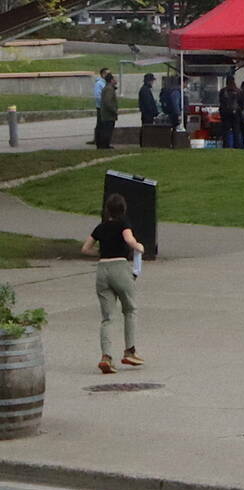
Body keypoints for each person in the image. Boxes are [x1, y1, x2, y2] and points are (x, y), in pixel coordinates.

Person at [82, 193, 145, 374]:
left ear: (107, 210)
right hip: (119, 267)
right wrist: (138, 246)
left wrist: (102, 253)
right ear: (123, 209)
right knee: (130, 309)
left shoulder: (100, 227)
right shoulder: (124, 223)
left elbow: (85, 248)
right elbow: (128, 239)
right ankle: (130, 351)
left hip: (102, 270)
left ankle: (106, 357)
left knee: (107, 317)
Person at [92, 68, 118, 150]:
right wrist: (114, 110)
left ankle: (103, 144)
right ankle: (103, 145)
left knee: (104, 128)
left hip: (105, 110)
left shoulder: (108, 87)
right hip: (104, 111)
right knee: (104, 129)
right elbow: (106, 100)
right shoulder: (105, 86)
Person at [215, 78, 239, 149]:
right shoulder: (237, 90)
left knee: (226, 131)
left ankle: (226, 146)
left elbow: (221, 101)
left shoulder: (223, 91)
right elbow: (241, 101)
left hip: (225, 113)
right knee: (236, 131)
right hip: (235, 112)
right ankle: (237, 146)